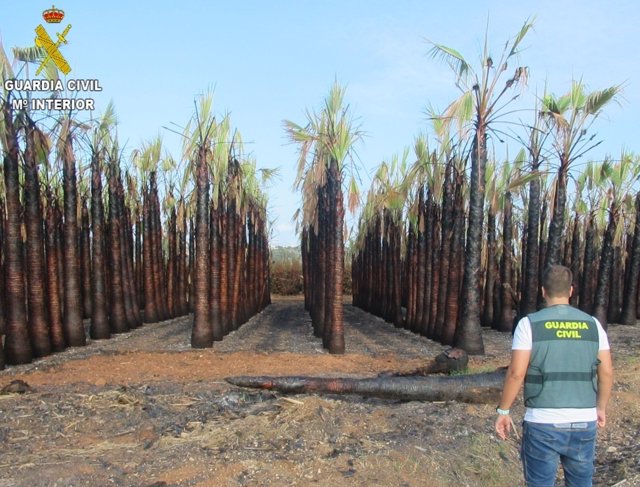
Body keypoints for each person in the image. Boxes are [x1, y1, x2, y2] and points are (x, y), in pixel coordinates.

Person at [495, 265, 614, 487]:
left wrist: (504, 410)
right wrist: (600, 408)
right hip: (583, 422)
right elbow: (606, 371)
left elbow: (516, 373)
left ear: (543, 291)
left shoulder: (528, 325)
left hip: (542, 423)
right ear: (571, 291)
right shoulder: (593, 325)